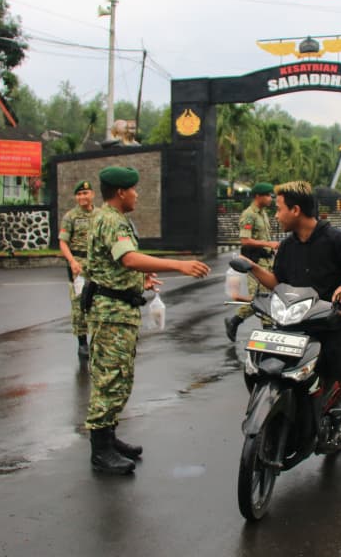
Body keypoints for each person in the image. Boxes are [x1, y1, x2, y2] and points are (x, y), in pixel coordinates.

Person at [238, 181, 341, 487]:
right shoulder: (288, 246)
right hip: (295, 326)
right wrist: (251, 267)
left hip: (334, 326)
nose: (276, 214)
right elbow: (277, 282)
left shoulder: (336, 240)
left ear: (295, 209)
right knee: (268, 370)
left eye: (279, 208)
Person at [83, 166, 210, 475]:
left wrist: (141, 281)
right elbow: (128, 258)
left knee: (120, 377)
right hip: (111, 313)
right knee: (109, 379)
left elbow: (119, 265)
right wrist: (178, 266)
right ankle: (100, 450)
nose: (137, 194)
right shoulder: (111, 220)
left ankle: (109, 438)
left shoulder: (112, 218)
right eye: (134, 189)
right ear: (121, 192)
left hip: (119, 309)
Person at [224, 182, 280, 341]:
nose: (271, 199)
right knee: (264, 298)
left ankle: (235, 320)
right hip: (254, 262)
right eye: (268, 195)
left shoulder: (262, 213)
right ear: (258, 196)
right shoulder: (249, 214)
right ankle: (269, 335)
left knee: (263, 298)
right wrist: (268, 244)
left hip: (267, 261)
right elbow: (245, 240)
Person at [59, 180, 96, 358]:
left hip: (97, 263)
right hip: (78, 265)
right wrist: (72, 261)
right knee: (79, 303)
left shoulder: (100, 215)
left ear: (92, 195)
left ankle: (98, 340)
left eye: (85, 193)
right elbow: (63, 242)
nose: (82, 197)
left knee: (99, 301)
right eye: (79, 194)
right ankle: (82, 343)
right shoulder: (70, 216)